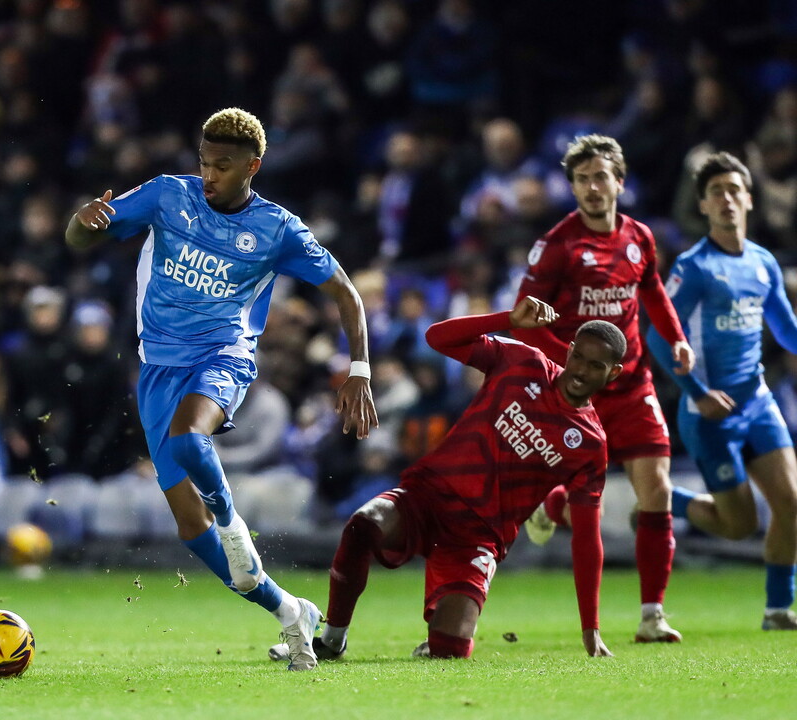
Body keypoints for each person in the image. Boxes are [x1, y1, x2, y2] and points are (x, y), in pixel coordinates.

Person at [65, 107, 378, 671]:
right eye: (205, 163)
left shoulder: (277, 229)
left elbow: (346, 294)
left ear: (253, 166)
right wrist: (81, 220)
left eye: (224, 166)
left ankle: (234, 530)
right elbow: (81, 237)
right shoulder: (166, 195)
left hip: (223, 358)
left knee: (190, 441)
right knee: (189, 525)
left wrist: (359, 370)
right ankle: (290, 610)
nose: (209, 175)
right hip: (157, 369)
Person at [269, 296, 623, 663]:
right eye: (578, 356)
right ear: (568, 351)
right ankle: (332, 638)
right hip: (429, 495)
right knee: (363, 525)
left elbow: (586, 536)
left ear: (614, 373)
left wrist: (591, 627)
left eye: (595, 365)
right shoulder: (522, 361)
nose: (580, 370)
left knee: (450, 652)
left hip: (479, 535)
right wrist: (506, 318)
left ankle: (442, 636)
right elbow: (437, 338)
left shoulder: (590, 444)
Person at [514, 134, 695, 643]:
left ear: (620, 179)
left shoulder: (639, 237)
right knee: (580, 500)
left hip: (634, 386)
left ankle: (652, 615)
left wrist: (676, 340)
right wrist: (567, 347)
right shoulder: (559, 245)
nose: (593, 188)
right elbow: (526, 313)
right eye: (582, 179)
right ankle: (552, 506)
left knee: (655, 490)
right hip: (576, 394)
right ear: (572, 186)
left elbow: (652, 290)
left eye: (601, 177)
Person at [646, 152, 797, 630]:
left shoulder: (762, 263)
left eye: (735, 190)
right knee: (738, 526)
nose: (727, 199)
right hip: (708, 412)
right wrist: (696, 391)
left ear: (749, 199)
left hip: (757, 402)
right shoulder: (694, 268)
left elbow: (787, 332)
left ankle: (777, 610)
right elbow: (656, 334)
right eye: (717, 192)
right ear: (704, 206)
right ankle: (666, 500)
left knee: (791, 503)